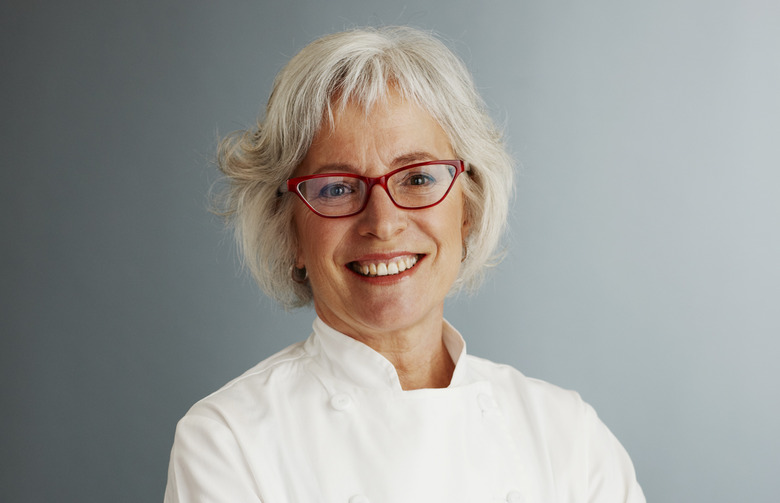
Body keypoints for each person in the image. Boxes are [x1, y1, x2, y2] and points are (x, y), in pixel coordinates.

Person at [164, 26, 645, 502]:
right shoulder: (230, 442)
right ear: (289, 232)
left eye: (416, 178)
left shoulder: (570, 439)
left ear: (468, 210)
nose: (384, 223)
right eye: (337, 187)